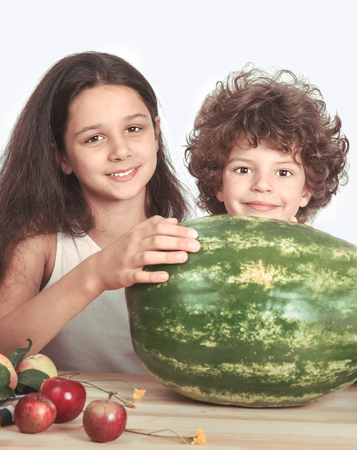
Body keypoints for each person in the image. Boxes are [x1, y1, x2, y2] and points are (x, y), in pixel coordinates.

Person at [0, 51, 200, 373]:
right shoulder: (42, 240)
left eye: (134, 129)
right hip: (67, 421)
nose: (120, 151)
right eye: (94, 138)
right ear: (61, 156)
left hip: (169, 421)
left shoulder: (187, 238)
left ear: (157, 133)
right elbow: (2, 354)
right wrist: (95, 273)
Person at [185, 66, 349, 224]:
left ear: (306, 191)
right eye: (243, 170)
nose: (262, 185)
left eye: (283, 172)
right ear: (218, 184)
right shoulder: (184, 248)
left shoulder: (322, 252)